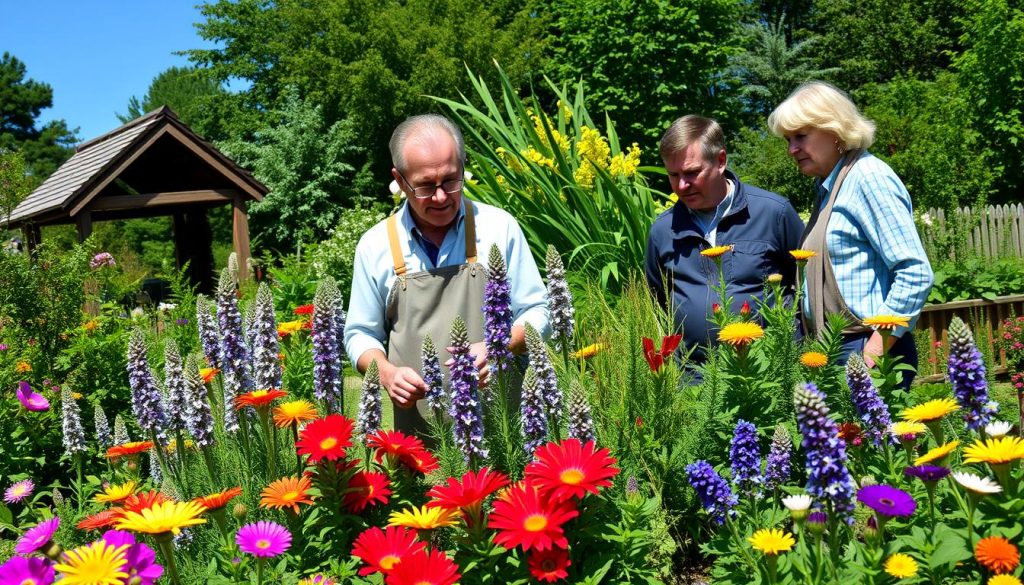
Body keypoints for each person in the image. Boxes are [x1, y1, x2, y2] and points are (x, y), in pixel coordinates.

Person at [344, 114, 549, 435]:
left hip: (505, 433)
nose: (441, 197)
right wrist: (385, 373)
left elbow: (539, 311)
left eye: (451, 181)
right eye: (425, 186)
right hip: (417, 440)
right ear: (399, 180)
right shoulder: (375, 245)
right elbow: (359, 333)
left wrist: (500, 345)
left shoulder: (499, 227)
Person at [767, 81, 933, 387]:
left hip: (864, 348)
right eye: (788, 139)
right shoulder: (830, 187)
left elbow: (915, 272)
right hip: (835, 348)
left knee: (875, 437)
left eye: (801, 136)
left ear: (834, 130)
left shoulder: (868, 178)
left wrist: (874, 351)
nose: (792, 149)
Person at [645, 115, 804, 371]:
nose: (682, 186)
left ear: (720, 161)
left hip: (770, 370)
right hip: (697, 380)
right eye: (673, 175)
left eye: (692, 173)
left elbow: (806, 284)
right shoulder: (663, 230)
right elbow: (657, 301)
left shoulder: (773, 213)